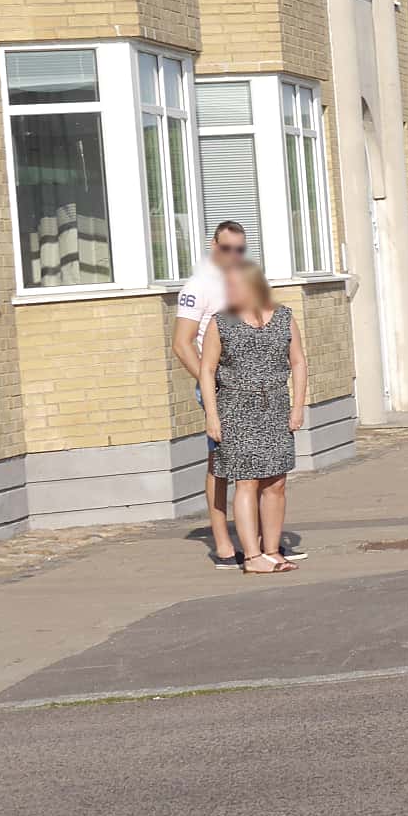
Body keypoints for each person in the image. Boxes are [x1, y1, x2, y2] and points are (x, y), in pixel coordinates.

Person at [199, 262, 306, 575]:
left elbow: (298, 362)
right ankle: (252, 556)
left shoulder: (284, 317)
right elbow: (207, 369)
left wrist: (297, 407)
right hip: (236, 406)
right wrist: (212, 416)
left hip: (275, 404)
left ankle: (272, 550)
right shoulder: (222, 323)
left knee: (277, 481)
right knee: (247, 480)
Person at [170, 220, 247, 571]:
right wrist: (208, 381)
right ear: (213, 247)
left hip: (252, 387)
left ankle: (259, 542)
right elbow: (181, 343)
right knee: (220, 464)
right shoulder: (198, 286)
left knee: (257, 462)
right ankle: (222, 543)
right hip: (219, 388)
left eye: (239, 249)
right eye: (226, 248)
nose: (233, 255)